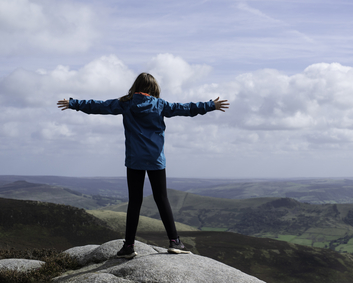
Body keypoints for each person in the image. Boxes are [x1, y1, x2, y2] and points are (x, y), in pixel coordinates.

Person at [57, 72, 229, 258]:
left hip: (134, 160)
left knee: (135, 202)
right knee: (162, 199)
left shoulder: (126, 103)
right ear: (153, 88)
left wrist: (73, 103)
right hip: (155, 159)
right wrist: (210, 105)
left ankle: (129, 246)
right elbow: (185, 108)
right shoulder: (160, 105)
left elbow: (99, 106)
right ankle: (174, 241)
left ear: (136, 86)